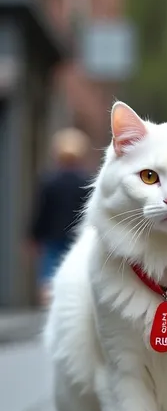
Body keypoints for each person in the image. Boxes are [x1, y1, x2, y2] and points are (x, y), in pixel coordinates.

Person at [28, 128, 91, 306]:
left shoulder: (49, 182)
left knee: (49, 273)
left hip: (52, 236)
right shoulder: (85, 182)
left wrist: (34, 237)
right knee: (77, 271)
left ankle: (49, 303)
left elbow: (41, 212)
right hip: (77, 236)